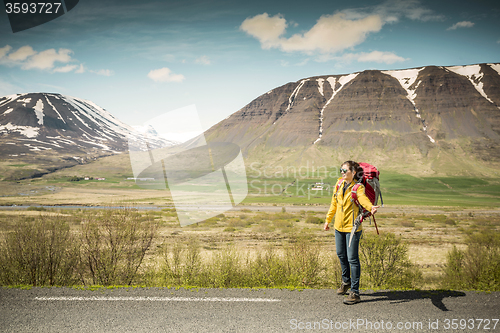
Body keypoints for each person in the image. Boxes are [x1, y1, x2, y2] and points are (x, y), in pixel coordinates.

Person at [323, 160, 379, 305]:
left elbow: (363, 199)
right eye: (340, 170)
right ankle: (346, 281)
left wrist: (371, 207)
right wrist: (327, 220)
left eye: (345, 170)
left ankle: (355, 292)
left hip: (352, 229)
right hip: (338, 227)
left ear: (353, 173)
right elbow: (333, 204)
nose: (342, 172)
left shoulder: (357, 188)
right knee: (341, 254)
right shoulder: (339, 184)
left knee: (352, 259)